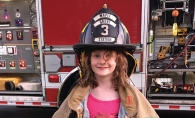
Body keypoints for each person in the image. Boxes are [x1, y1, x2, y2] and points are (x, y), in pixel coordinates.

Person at [52, 4, 159, 118]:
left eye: (108, 56)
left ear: (118, 60)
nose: (103, 61)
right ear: (87, 60)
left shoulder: (132, 96)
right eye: (97, 56)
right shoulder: (76, 96)